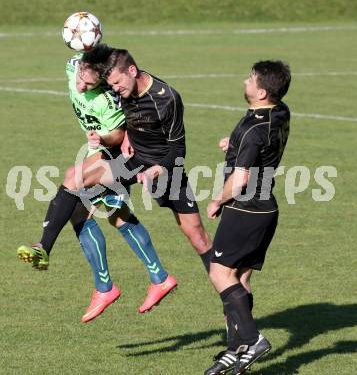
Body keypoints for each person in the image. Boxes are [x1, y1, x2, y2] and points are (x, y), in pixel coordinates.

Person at [17, 45, 176, 322]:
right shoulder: (74, 64)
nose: (80, 86)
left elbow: (117, 134)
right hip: (98, 152)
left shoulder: (107, 98)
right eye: (79, 77)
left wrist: (103, 139)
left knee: (72, 179)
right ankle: (153, 278)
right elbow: (95, 55)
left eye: (88, 83)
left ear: (101, 81)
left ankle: (44, 248)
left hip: (114, 154)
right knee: (110, 215)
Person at [78, 46, 213, 271]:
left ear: (132, 71)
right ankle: (47, 244)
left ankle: (230, 290)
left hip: (166, 166)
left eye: (117, 83)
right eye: (111, 85)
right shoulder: (120, 86)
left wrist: (158, 170)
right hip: (132, 159)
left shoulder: (167, 98)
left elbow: (178, 150)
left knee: (198, 237)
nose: (115, 89)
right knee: (77, 182)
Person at [204, 60, 291, 375]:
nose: (245, 82)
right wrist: (235, 145)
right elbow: (261, 144)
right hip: (266, 208)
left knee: (219, 273)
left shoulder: (254, 129)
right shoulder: (280, 112)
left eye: (251, 80)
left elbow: (239, 180)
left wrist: (216, 201)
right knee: (239, 278)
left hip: (245, 208)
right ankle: (236, 350)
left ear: (262, 92)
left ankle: (252, 340)